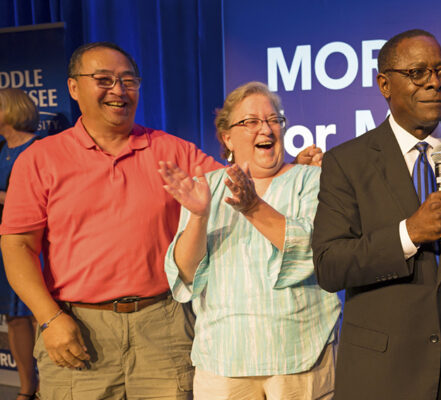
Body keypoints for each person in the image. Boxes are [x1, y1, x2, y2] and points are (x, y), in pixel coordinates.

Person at [0, 42, 320, 399]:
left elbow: (243, 179)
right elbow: (17, 245)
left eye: (128, 80)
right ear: (74, 87)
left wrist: (294, 171)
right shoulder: (40, 159)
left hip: (163, 328)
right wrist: (50, 318)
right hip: (77, 327)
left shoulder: (172, 151)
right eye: (103, 79)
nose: (118, 90)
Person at [312, 29, 441, 400]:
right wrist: (409, 233)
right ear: (385, 84)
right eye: (418, 73)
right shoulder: (347, 162)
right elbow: (330, 266)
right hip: (383, 375)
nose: (435, 83)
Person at [158, 81, 340, 399]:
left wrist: (252, 207)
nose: (265, 129)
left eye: (273, 120)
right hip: (222, 363)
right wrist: (199, 216)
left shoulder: (313, 180)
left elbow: (316, 253)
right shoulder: (205, 188)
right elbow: (185, 275)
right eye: (251, 122)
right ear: (227, 137)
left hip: (301, 358)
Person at [0, 88, 41, 400]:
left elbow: (35, 202)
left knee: (39, 314)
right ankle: (27, 388)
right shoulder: (1, 149)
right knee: (13, 317)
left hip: (33, 245)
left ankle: (50, 385)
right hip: (3, 244)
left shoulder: (39, 150)